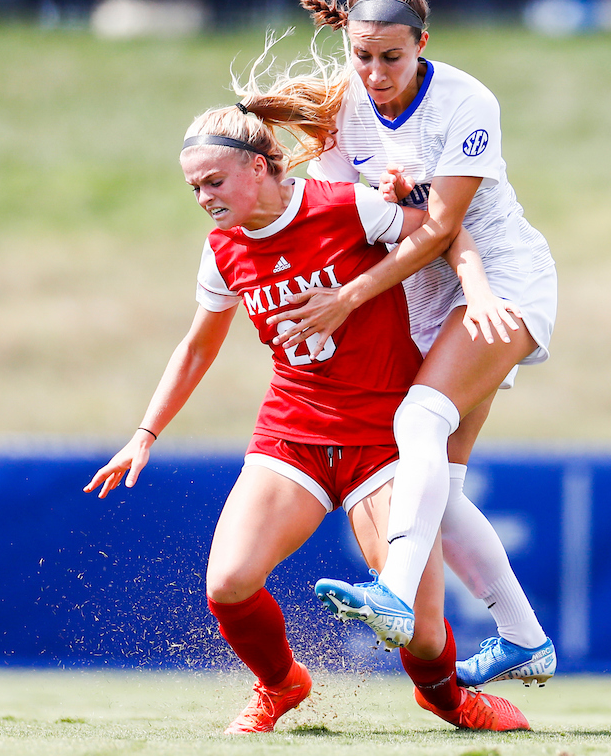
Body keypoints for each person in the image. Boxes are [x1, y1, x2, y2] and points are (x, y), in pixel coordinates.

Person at [82, 93, 529, 732]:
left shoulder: (345, 206)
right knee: (228, 583)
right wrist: (144, 433)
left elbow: (444, 230)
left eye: (214, 181)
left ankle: (448, 699)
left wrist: (479, 289)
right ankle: (281, 684)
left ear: (259, 166)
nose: (204, 197)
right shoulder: (222, 248)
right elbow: (198, 346)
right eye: (194, 187)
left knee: (422, 633)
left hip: (384, 436)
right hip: (293, 432)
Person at [271, 0, 559, 689]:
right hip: (427, 296)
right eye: (362, 56)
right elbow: (351, 217)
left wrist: (347, 299)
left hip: (503, 281)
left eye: (391, 57)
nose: (375, 73)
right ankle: (524, 639)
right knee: (444, 489)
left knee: (418, 419)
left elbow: (440, 229)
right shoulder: (342, 104)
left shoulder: (467, 101)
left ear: (422, 43)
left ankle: (394, 595)